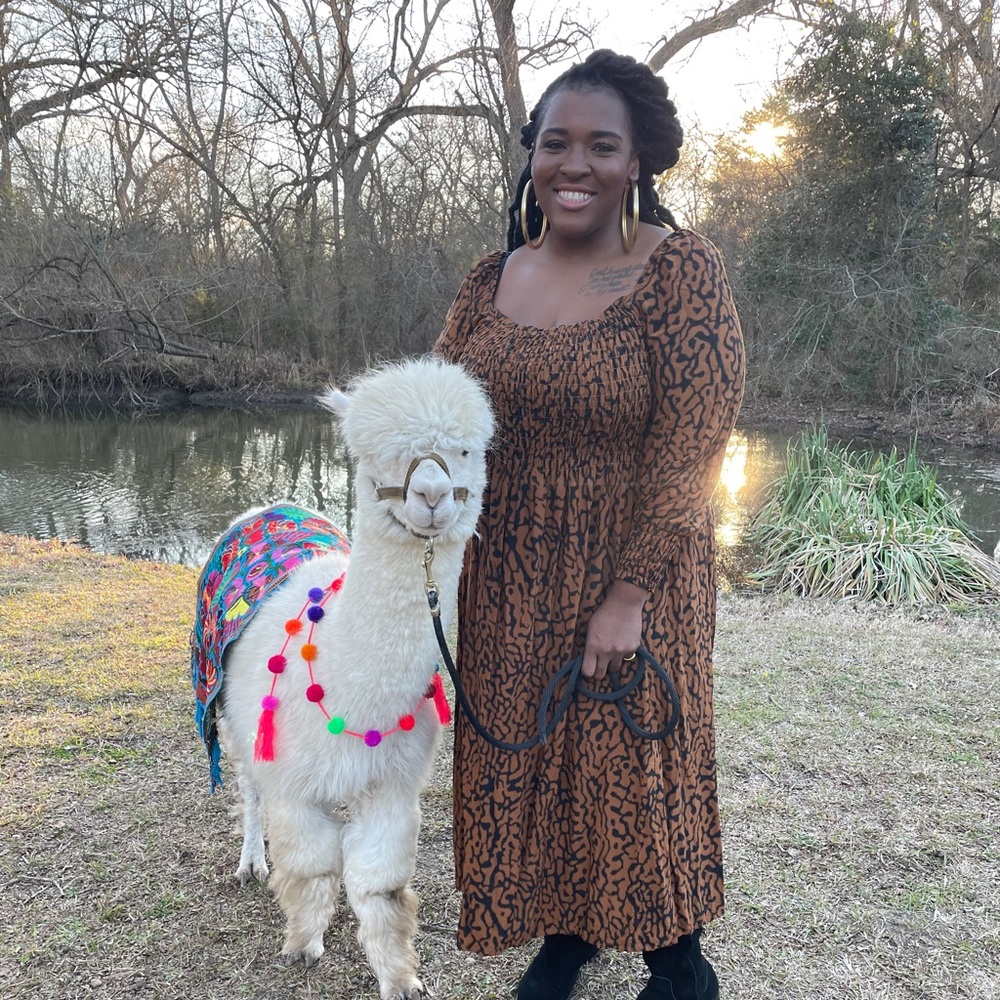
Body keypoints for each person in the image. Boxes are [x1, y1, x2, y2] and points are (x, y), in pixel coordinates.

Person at [434, 49, 744, 1000]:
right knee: (534, 763)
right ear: (532, 157)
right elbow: (435, 409)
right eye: (556, 144)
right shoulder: (493, 277)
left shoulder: (677, 271)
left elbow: (695, 446)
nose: (576, 165)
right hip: (508, 577)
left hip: (630, 570)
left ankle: (678, 963)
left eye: (601, 146)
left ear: (639, 160)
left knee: (630, 768)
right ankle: (567, 934)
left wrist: (629, 594)